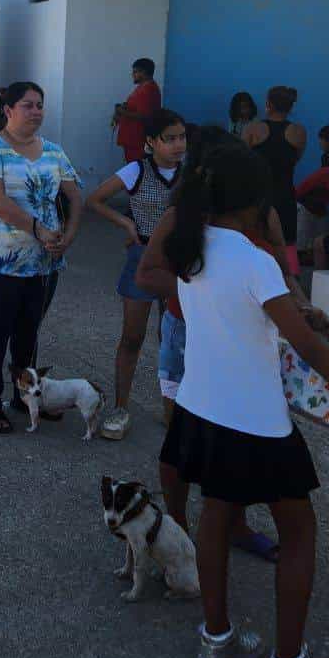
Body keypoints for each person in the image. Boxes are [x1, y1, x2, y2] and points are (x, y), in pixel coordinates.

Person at [159, 145, 329, 658]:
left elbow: (248, 320)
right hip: (255, 422)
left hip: (201, 409)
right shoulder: (254, 259)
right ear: (255, 201)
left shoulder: (191, 247)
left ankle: (216, 640)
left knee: (217, 514)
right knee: (298, 531)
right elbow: (309, 347)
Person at [138, 126, 329, 564]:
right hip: (187, 334)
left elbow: (282, 276)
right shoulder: (181, 218)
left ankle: (234, 523)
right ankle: (176, 525)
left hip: (249, 338)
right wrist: (207, 290)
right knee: (183, 438)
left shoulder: (260, 218)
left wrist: (300, 307)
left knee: (237, 436)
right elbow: (146, 275)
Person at [0, 82, 83, 434]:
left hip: (44, 262)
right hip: (0, 260)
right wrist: (37, 228)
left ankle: (24, 395)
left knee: (28, 331)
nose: (36, 111)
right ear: (8, 110)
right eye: (28, 105)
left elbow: (76, 197)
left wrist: (69, 236)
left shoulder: (53, 151)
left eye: (40, 105)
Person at [85, 109, 188, 440]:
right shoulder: (136, 170)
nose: (177, 145)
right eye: (169, 139)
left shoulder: (193, 175)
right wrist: (127, 223)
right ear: (150, 142)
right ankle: (120, 408)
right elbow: (96, 199)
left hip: (180, 264)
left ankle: (174, 409)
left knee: (174, 339)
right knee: (132, 337)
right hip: (142, 258)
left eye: (181, 138)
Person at [243, 85, 306, 246]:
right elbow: (295, 159)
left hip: (257, 195)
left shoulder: (252, 129)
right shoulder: (299, 132)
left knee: (255, 242)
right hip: (285, 195)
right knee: (286, 244)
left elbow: (241, 161)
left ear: (268, 104)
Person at [112, 58, 161, 164]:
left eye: (135, 72)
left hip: (138, 140)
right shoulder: (142, 87)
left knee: (137, 171)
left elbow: (144, 116)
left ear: (143, 72)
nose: (132, 75)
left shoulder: (148, 89)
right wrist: (125, 107)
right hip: (132, 140)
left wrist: (121, 111)